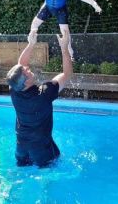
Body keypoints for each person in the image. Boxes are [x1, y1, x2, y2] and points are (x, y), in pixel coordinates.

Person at [6, 29, 73, 168]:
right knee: (47, 178)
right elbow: (66, 74)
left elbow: (21, 64)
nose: (29, 69)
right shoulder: (44, 94)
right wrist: (64, 48)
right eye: (27, 72)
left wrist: (31, 44)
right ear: (26, 82)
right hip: (42, 151)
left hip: (21, 149)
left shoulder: (14, 90)